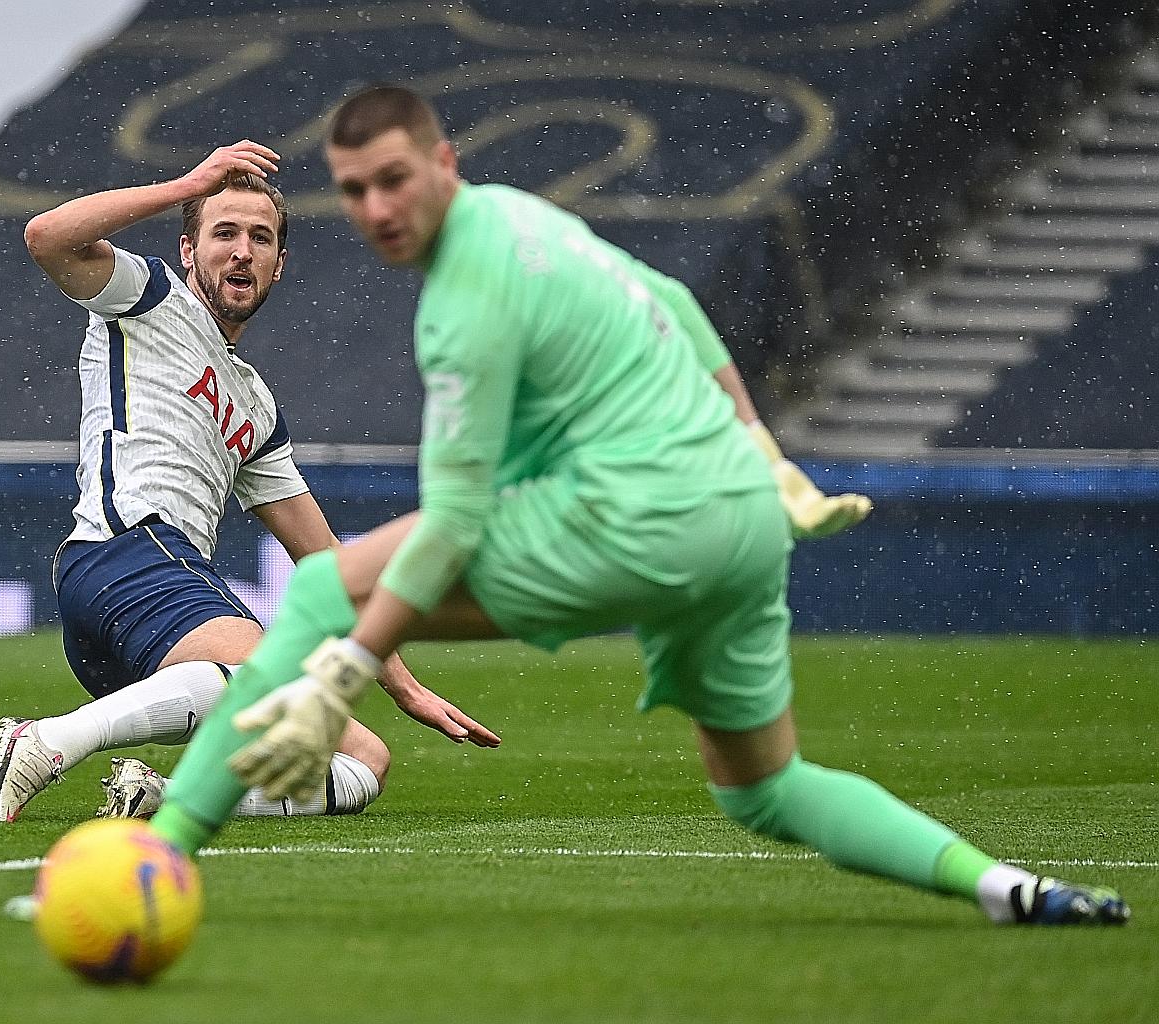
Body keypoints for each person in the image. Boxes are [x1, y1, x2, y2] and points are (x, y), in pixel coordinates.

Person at [145, 86, 1129, 927]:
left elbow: (453, 526)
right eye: (355, 190)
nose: (375, 207)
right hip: (741, 523)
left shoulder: (464, 302)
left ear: (443, 162)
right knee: (764, 789)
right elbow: (674, 296)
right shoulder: (530, 218)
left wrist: (341, 679)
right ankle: (1005, 885)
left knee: (324, 594)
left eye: (393, 178)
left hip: (634, 521)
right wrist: (762, 450)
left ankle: (164, 854)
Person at [0, 141, 499, 824]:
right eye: (223, 232)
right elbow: (45, 236)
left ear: (280, 264)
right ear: (188, 250)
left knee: (363, 761)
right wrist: (184, 185)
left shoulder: (255, 405)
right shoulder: (151, 297)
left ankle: (163, 802)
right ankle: (45, 742)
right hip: (126, 553)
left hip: (161, 613)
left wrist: (401, 684)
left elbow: (329, 565)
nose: (243, 251)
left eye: (260, 237)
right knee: (268, 673)